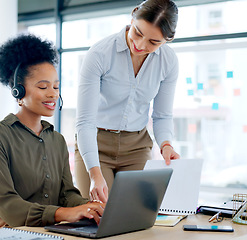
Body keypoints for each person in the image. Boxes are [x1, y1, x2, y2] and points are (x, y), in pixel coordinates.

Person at [0, 34, 105, 231]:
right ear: (18, 91)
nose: (53, 93)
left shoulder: (57, 140)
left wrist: (88, 207)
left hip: (49, 227)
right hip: (4, 227)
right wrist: (63, 213)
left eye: (56, 86)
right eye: (43, 86)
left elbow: (67, 194)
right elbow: (8, 205)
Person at [75, 0, 181, 203]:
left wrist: (166, 144)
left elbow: (162, 115)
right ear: (132, 17)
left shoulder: (168, 61)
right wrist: (95, 174)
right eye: (138, 33)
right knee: (99, 214)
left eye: (154, 42)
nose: (140, 45)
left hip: (136, 147)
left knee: (136, 214)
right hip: (96, 144)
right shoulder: (99, 54)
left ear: (168, 39)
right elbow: (85, 121)